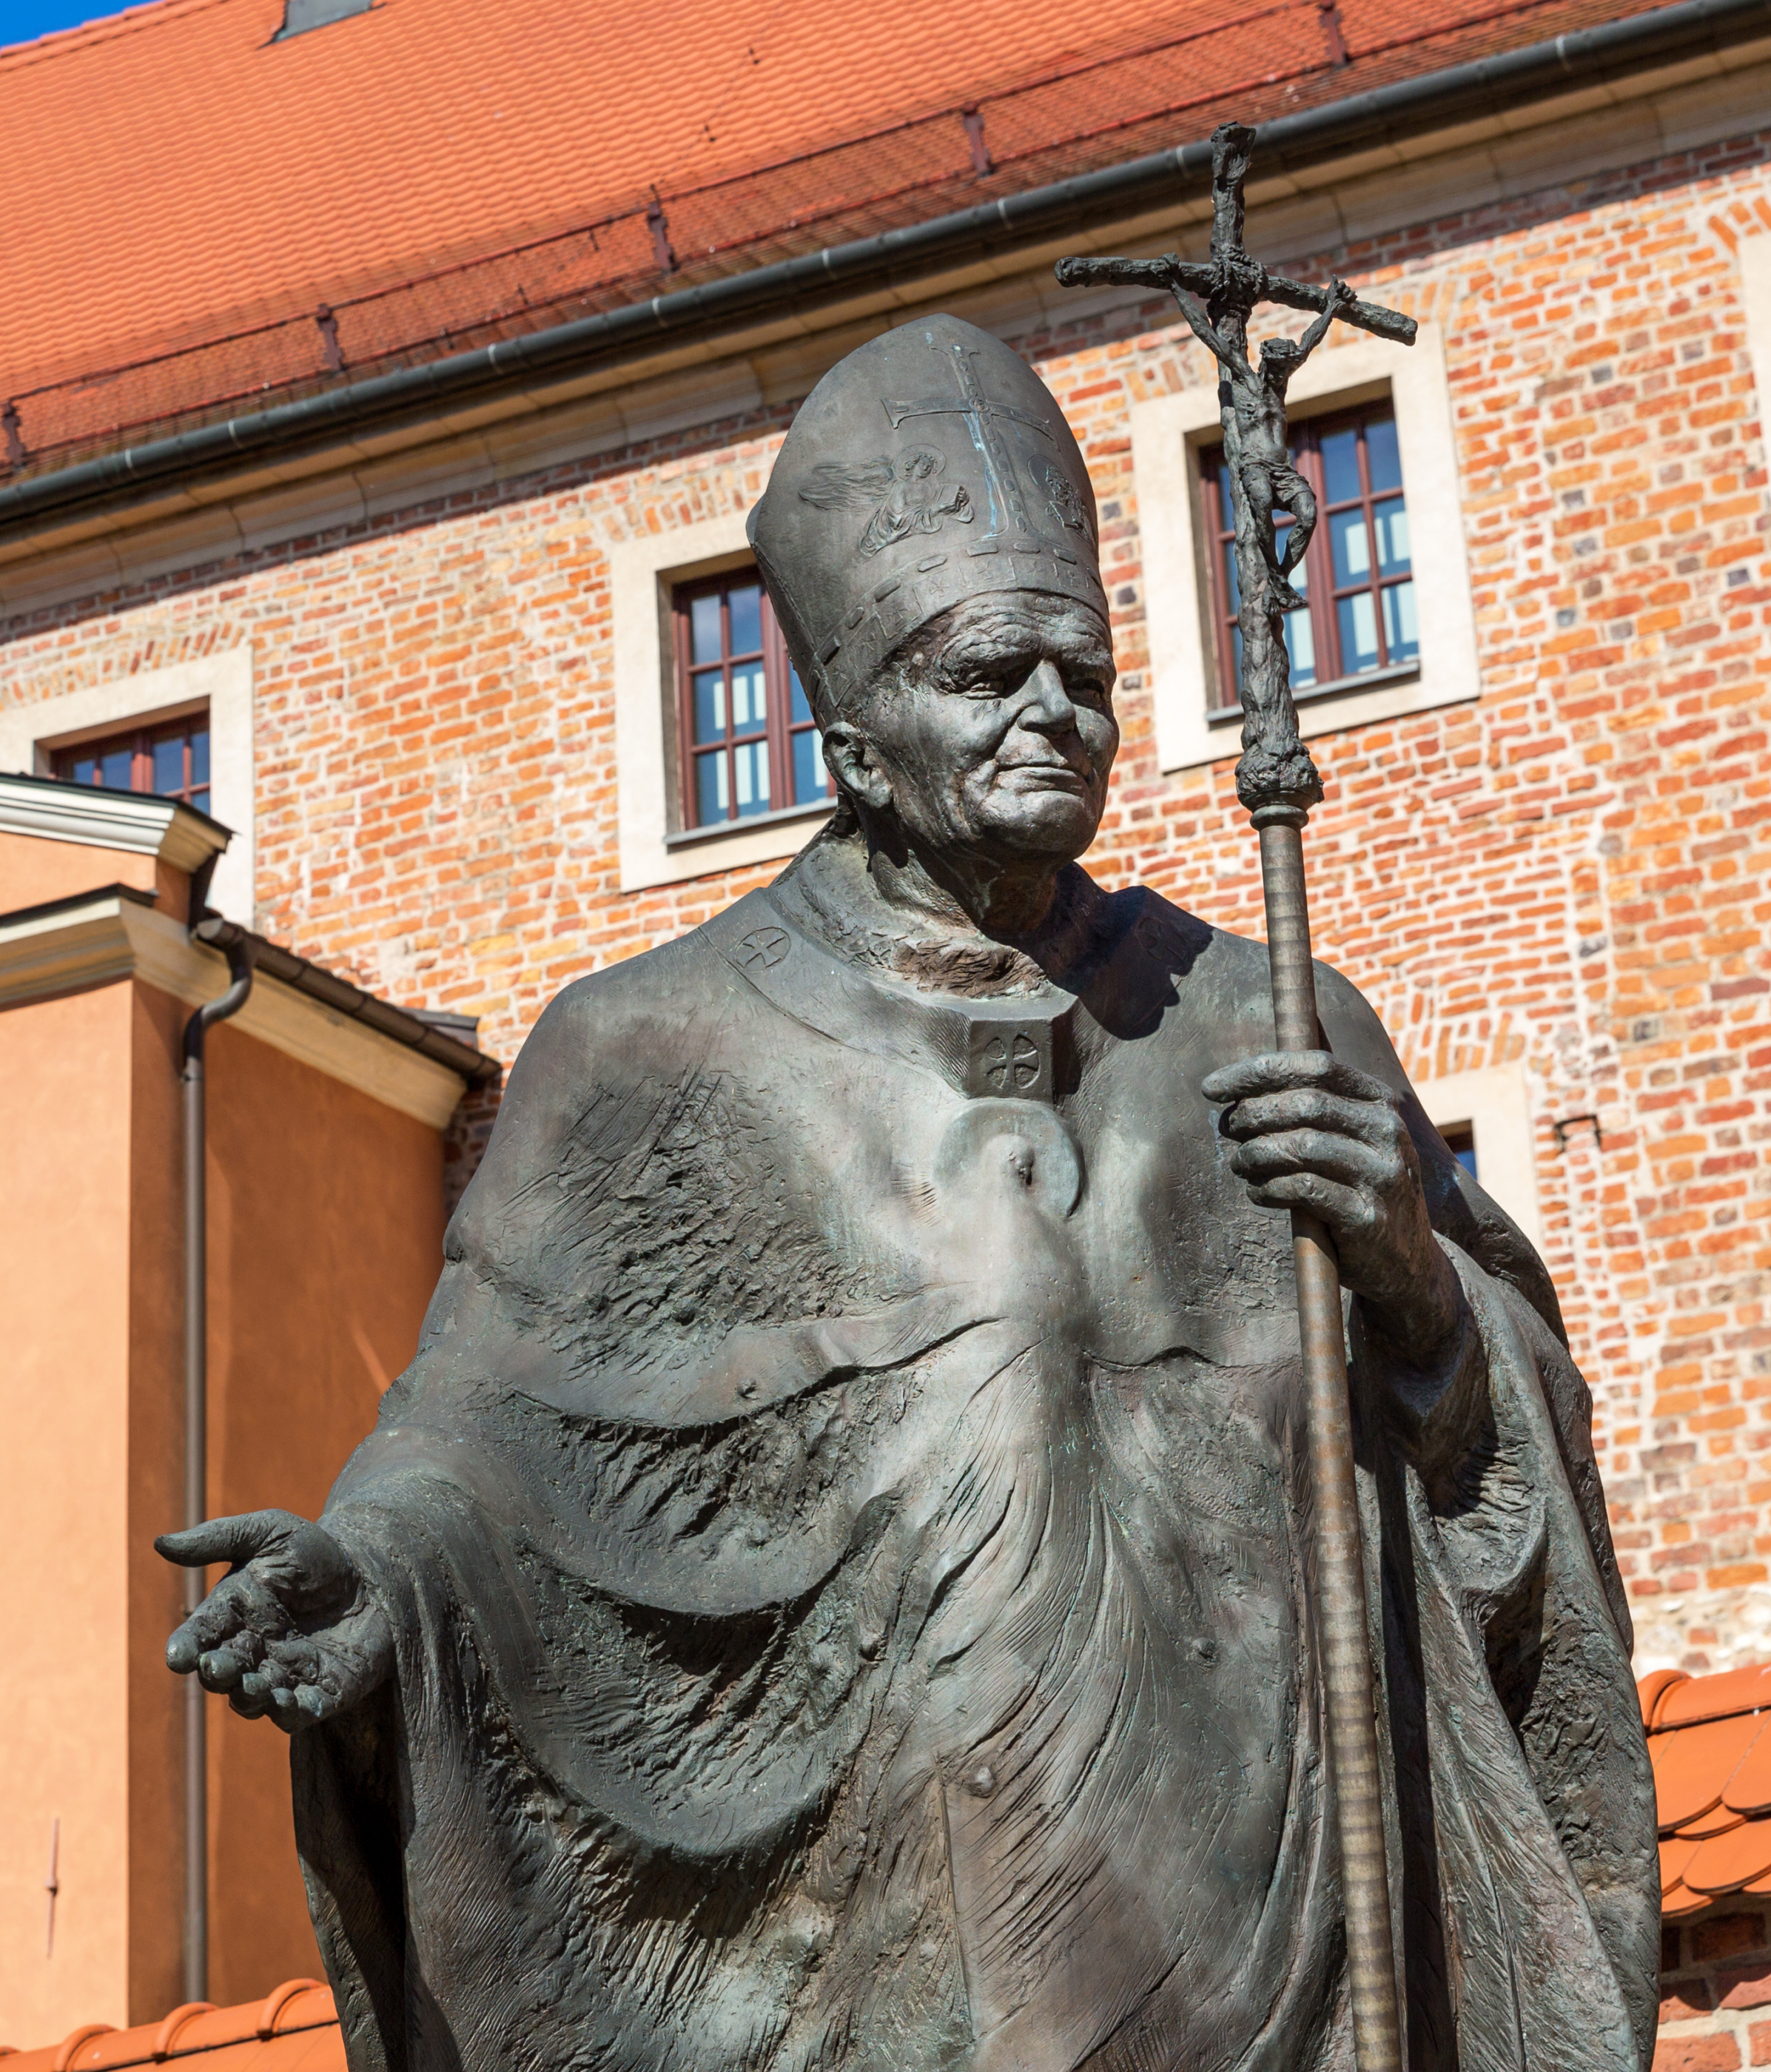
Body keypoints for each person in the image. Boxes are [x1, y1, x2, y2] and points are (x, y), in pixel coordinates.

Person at [160, 313, 1656, 2072]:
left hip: (1302, 1949)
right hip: (907, 1966)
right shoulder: (655, 1053)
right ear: (851, 732)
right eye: (983, 673)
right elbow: (479, 1454)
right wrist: (370, 1599)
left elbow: (1504, 1464)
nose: (1052, 715)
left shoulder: (1272, 1017)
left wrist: (1409, 1287)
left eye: (1082, 675)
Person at [1175, 272, 1357, 610]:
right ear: (1266, 363)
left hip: (1283, 469)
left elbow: (1308, 342)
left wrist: (1331, 308)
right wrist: (1176, 289)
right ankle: (1274, 577)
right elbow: (1209, 336)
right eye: (1277, 368)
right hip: (1255, 465)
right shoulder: (1246, 379)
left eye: (1285, 369)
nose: (1282, 374)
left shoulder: (1280, 384)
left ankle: (1281, 575)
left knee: (1308, 514)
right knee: (1260, 502)